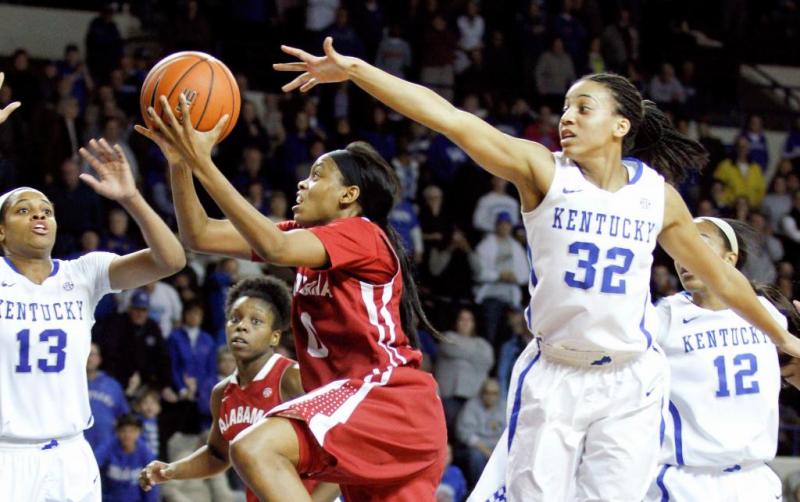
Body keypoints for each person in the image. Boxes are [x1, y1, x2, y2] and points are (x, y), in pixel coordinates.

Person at [271, 38, 800, 501]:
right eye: (565, 106)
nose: (566, 117)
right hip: (556, 374)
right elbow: (447, 116)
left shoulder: (655, 196)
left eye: (583, 107)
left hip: (632, 378)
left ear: (621, 125)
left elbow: (726, 279)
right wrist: (358, 71)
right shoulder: (541, 171)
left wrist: (785, 338)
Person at [135, 96, 447, 501]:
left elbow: (274, 248)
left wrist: (204, 163)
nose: (303, 182)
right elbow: (200, 235)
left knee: (252, 447)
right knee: (253, 449)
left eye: (318, 176)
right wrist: (180, 163)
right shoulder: (306, 240)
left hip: (385, 399)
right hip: (372, 418)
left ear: (348, 196)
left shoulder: (364, 233)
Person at [0, 75, 185, 501]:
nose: (39, 215)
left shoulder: (82, 274)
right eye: (23, 210)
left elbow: (170, 259)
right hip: (8, 456)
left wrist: (131, 198)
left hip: (70, 454)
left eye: (46, 209)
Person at [139, 276, 339, 501]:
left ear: (274, 337)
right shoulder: (222, 392)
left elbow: (343, 446)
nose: (242, 326)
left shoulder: (292, 378)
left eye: (256, 321)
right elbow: (217, 456)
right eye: (235, 318)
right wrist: (172, 470)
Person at [645, 217, 797, 502]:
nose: (684, 256)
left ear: (730, 258)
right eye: (679, 249)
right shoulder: (662, 318)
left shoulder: (769, 314)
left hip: (755, 480)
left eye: (697, 245)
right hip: (687, 481)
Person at [95, 413, 157, 502]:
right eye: (123, 431)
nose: (127, 435)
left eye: (132, 431)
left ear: (139, 432)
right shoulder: (108, 446)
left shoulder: (146, 453)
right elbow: (94, 463)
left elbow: (151, 487)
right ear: (117, 432)